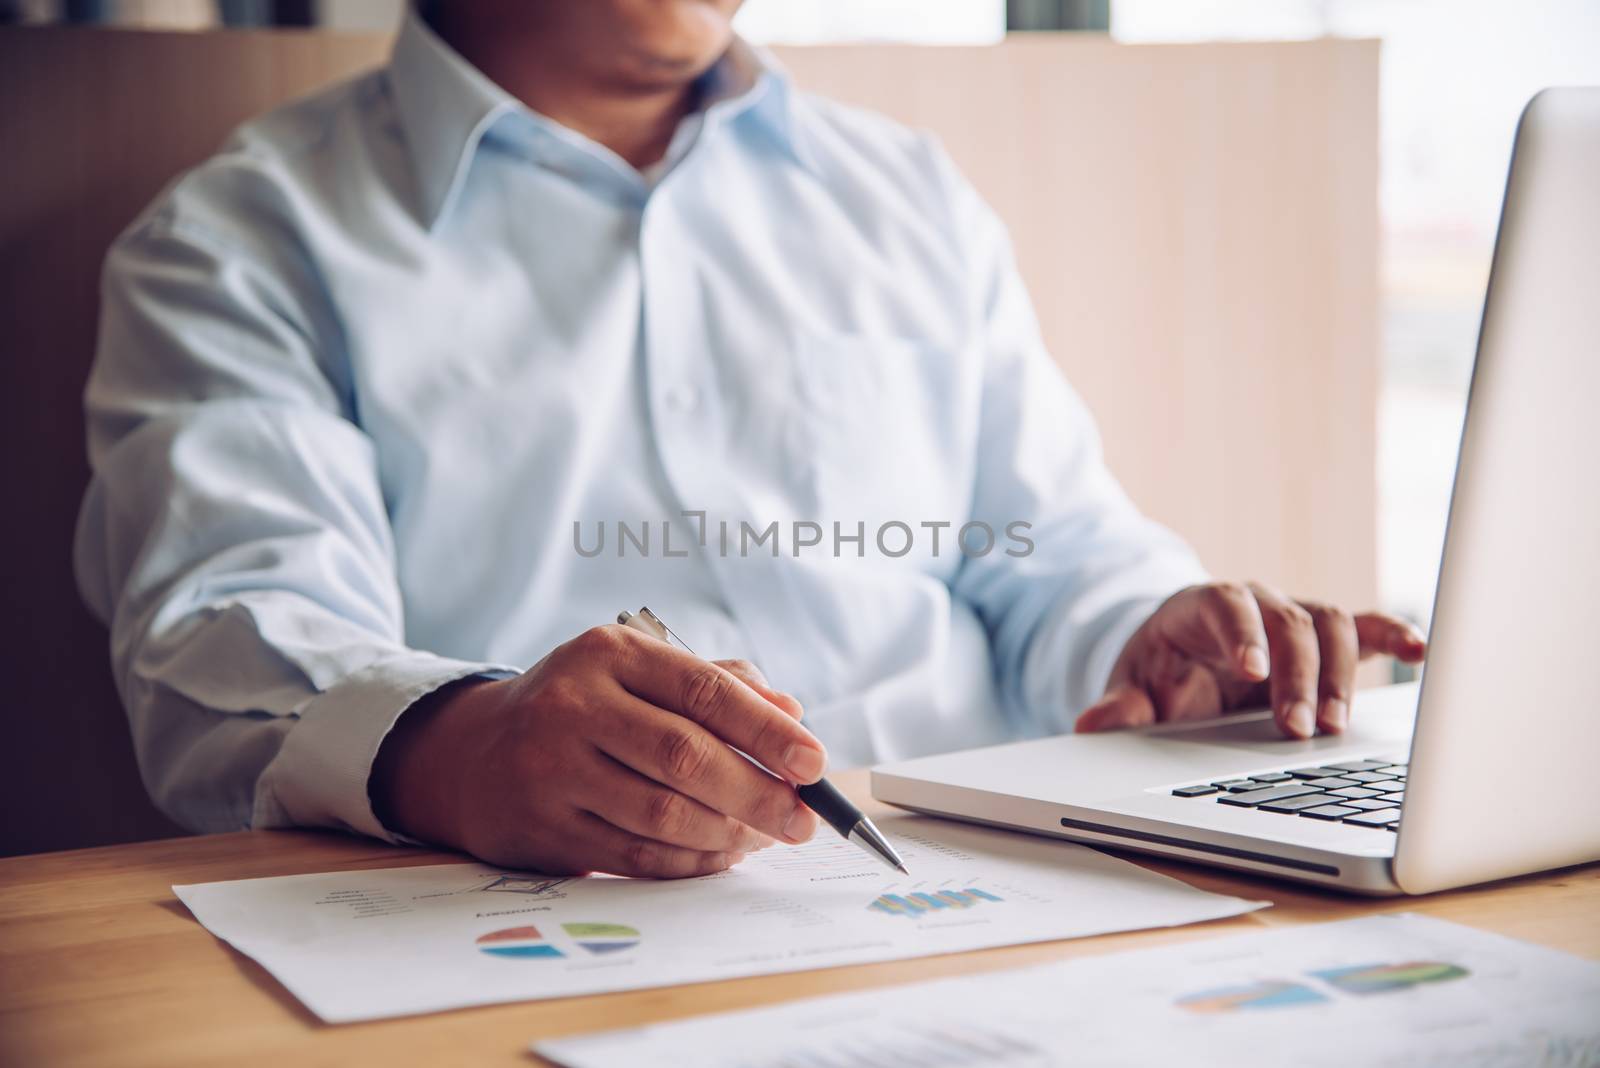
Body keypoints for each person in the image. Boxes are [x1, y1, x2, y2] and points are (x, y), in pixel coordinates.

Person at [75, 0, 1425, 879]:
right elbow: (229, 652)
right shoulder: (239, 245)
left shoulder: (903, 192)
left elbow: (1051, 545)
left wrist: (1149, 635)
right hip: (536, 952)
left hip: (1006, 906)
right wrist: (467, 744)